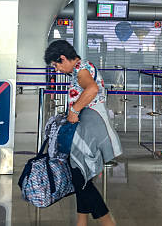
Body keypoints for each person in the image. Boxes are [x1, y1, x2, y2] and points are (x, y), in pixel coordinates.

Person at [44, 40, 121, 226]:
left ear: (63, 58)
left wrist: (74, 110)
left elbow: (92, 89)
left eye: (56, 65)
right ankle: (81, 221)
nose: (56, 69)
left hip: (89, 130)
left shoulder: (81, 71)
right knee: (80, 177)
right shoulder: (81, 69)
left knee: (80, 178)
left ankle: (108, 222)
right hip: (89, 129)